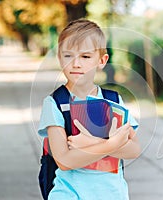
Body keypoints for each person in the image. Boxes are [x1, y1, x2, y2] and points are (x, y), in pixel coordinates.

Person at [38, 18, 141, 200]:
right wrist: (110, 144)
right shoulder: (55, 103)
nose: (76, 63)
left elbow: (134, 150)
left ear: (102, 60)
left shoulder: (114, 101)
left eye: (85, 57)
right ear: (59, 58)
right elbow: (64, 161)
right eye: (68, 55)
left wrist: (89, 143)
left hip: (112, 194)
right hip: (69, 194)